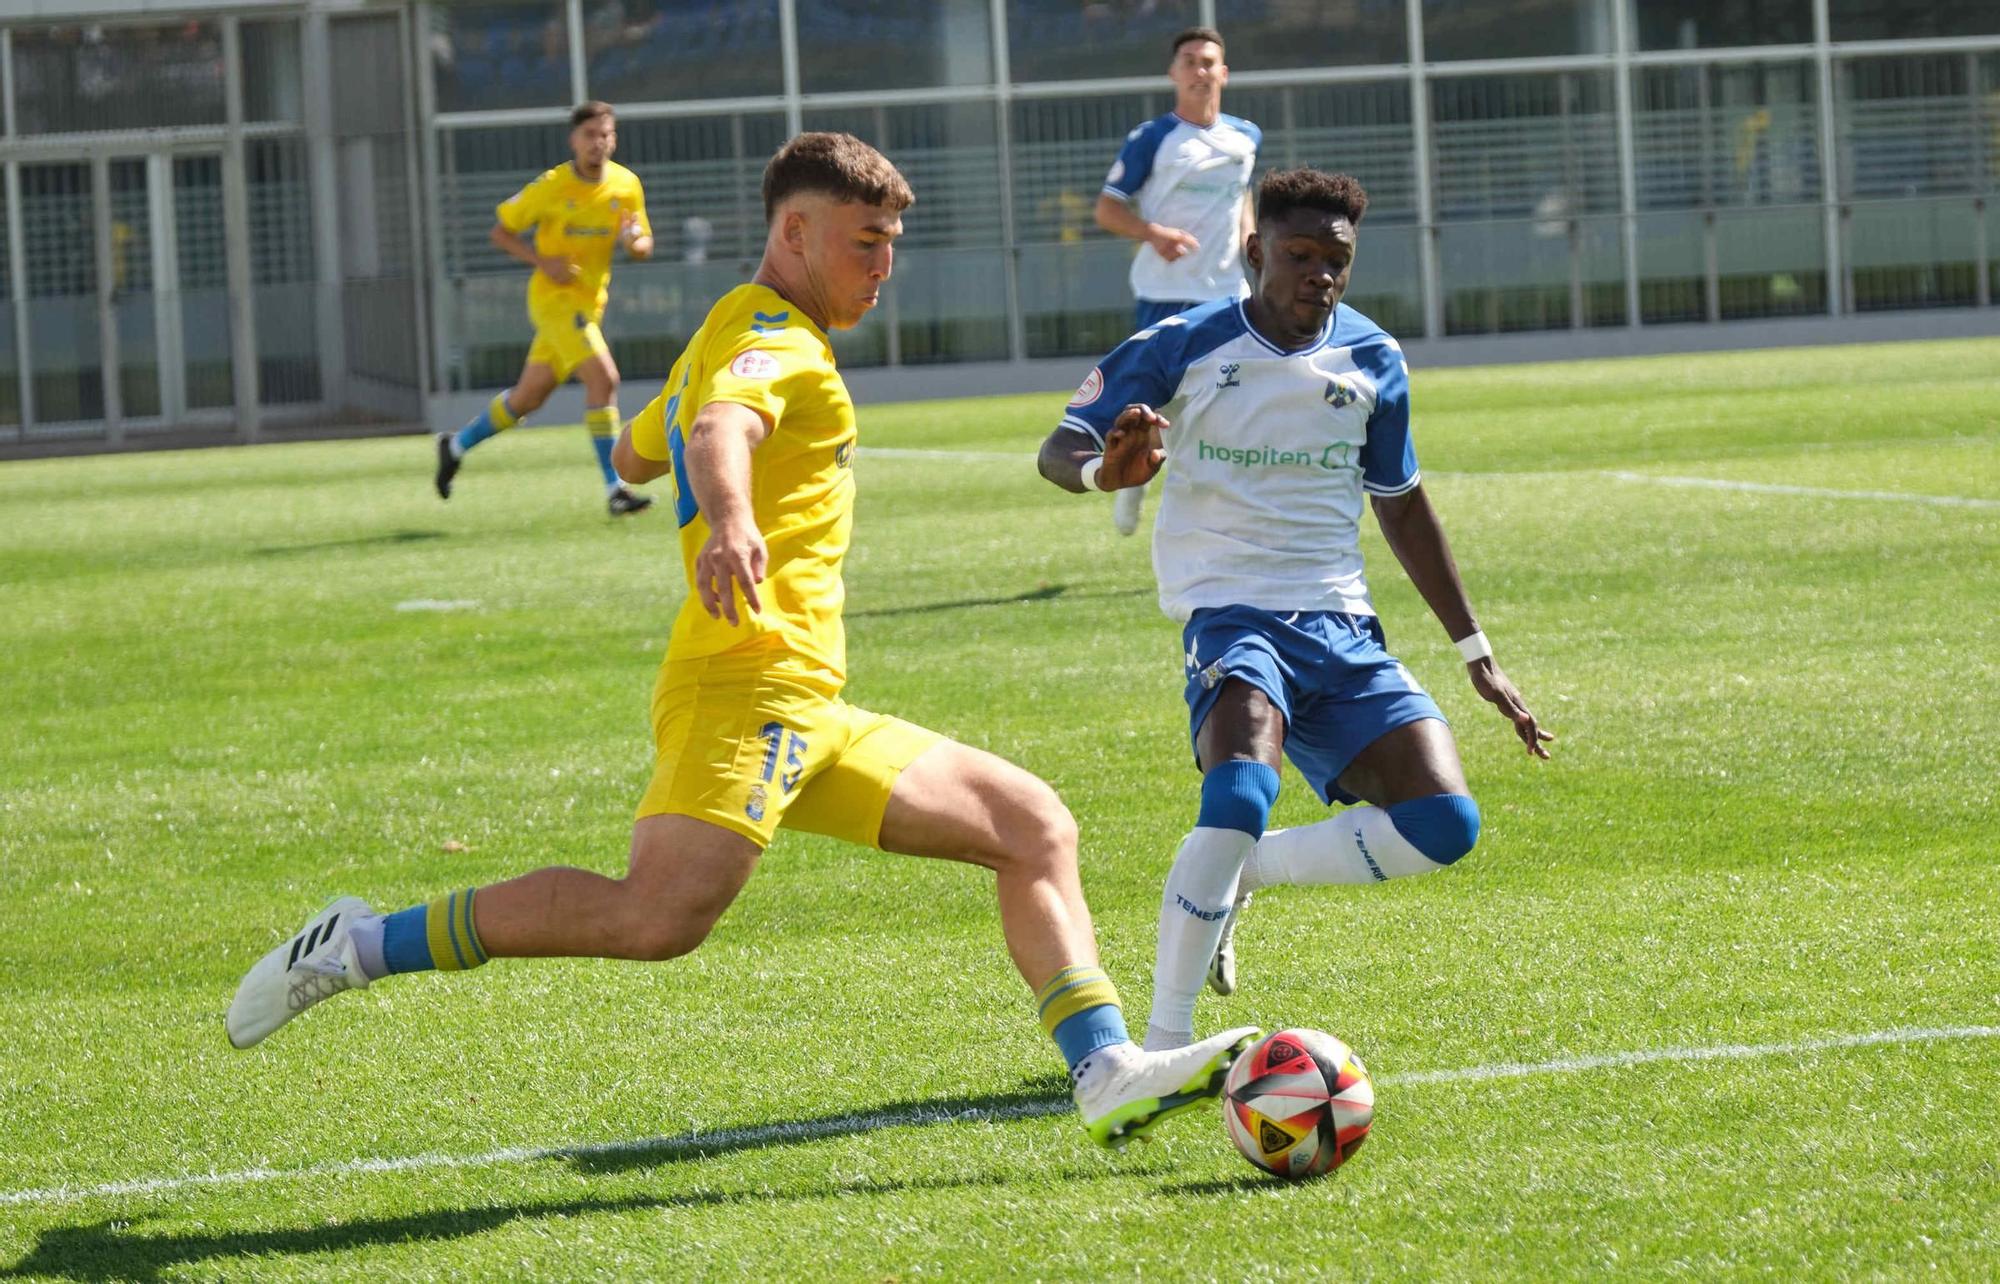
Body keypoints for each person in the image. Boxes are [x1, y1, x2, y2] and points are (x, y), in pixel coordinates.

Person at [231, 133, 1255, 1150]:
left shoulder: (728, 326)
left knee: (1030, 826)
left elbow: (642, 447)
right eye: (864, 242)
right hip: (746, 683)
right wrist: (729, 517)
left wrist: (686, 439)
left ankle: (1104, 1067)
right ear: (795, 232)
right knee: (654, 919)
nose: (882, 265)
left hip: (805, 698)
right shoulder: (774, 337)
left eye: (891, 242)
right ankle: (358, 944)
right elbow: (722, 427)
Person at [1038, 168, 1555, 1052]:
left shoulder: (1374, 359)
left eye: (1336, 260)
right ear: (1254, 253)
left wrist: (1476, 649)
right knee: (1238, 790)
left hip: (1340, 624)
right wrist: (1102, 473)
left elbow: (1401, 501)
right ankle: (1163, 1045)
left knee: (1445, 825)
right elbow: (1061, 447)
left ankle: (1246, 876)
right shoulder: (1185, 340)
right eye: (1299, 254)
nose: (1318, 274)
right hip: (1230, 614)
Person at [434, 100, 657, 517]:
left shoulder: (626, 185)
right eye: (590, 135)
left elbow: (643, 243)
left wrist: (633, 243)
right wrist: (543, 261)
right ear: (574, 140)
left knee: (528, 398)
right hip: (553, 302)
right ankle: (615, 489)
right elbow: (502, 231)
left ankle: (455, 445)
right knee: (604, 378)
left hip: (590, 306)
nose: (599, 142)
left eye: (606, 134)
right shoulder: (552, 186)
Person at [1093, 25, 1258, 538]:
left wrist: (1252, 241)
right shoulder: (1154, 139)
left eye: (1208, 61)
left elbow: (1241, 197)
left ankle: (1224, 518)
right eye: (1189, 61)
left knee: (1234, 405)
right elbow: (1106, 209)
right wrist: (1153, 233)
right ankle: (1132, 480)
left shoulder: (1245, 136)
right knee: (1154, 405)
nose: (1199, 70)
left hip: (1229, 294)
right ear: (1173, 73)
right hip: (1165, 294)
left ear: (1224, 73)